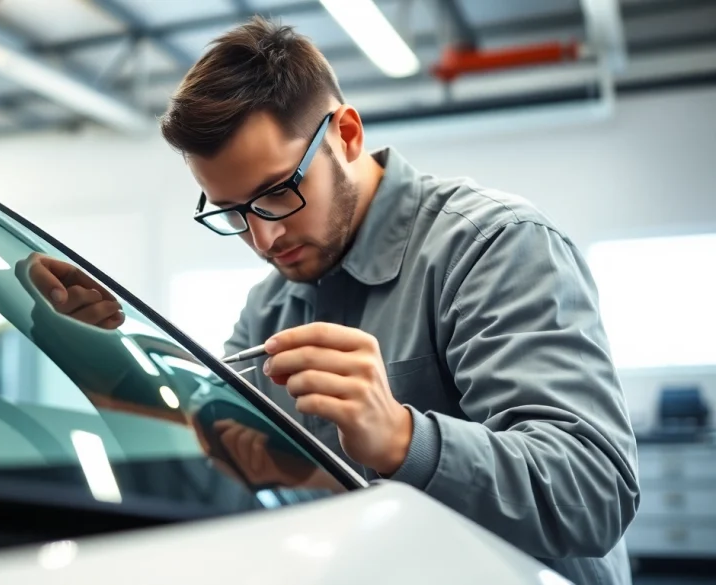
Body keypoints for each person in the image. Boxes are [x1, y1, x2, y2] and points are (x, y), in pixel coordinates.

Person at [158, 16, 640, 585]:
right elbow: (216, 459)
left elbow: (592, 492)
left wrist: (402, 439)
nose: (263, 239)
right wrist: (96, 347)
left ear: (348, 134)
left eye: (279, 193)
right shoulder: (270, 304)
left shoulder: (493, 246)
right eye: (232, 213)